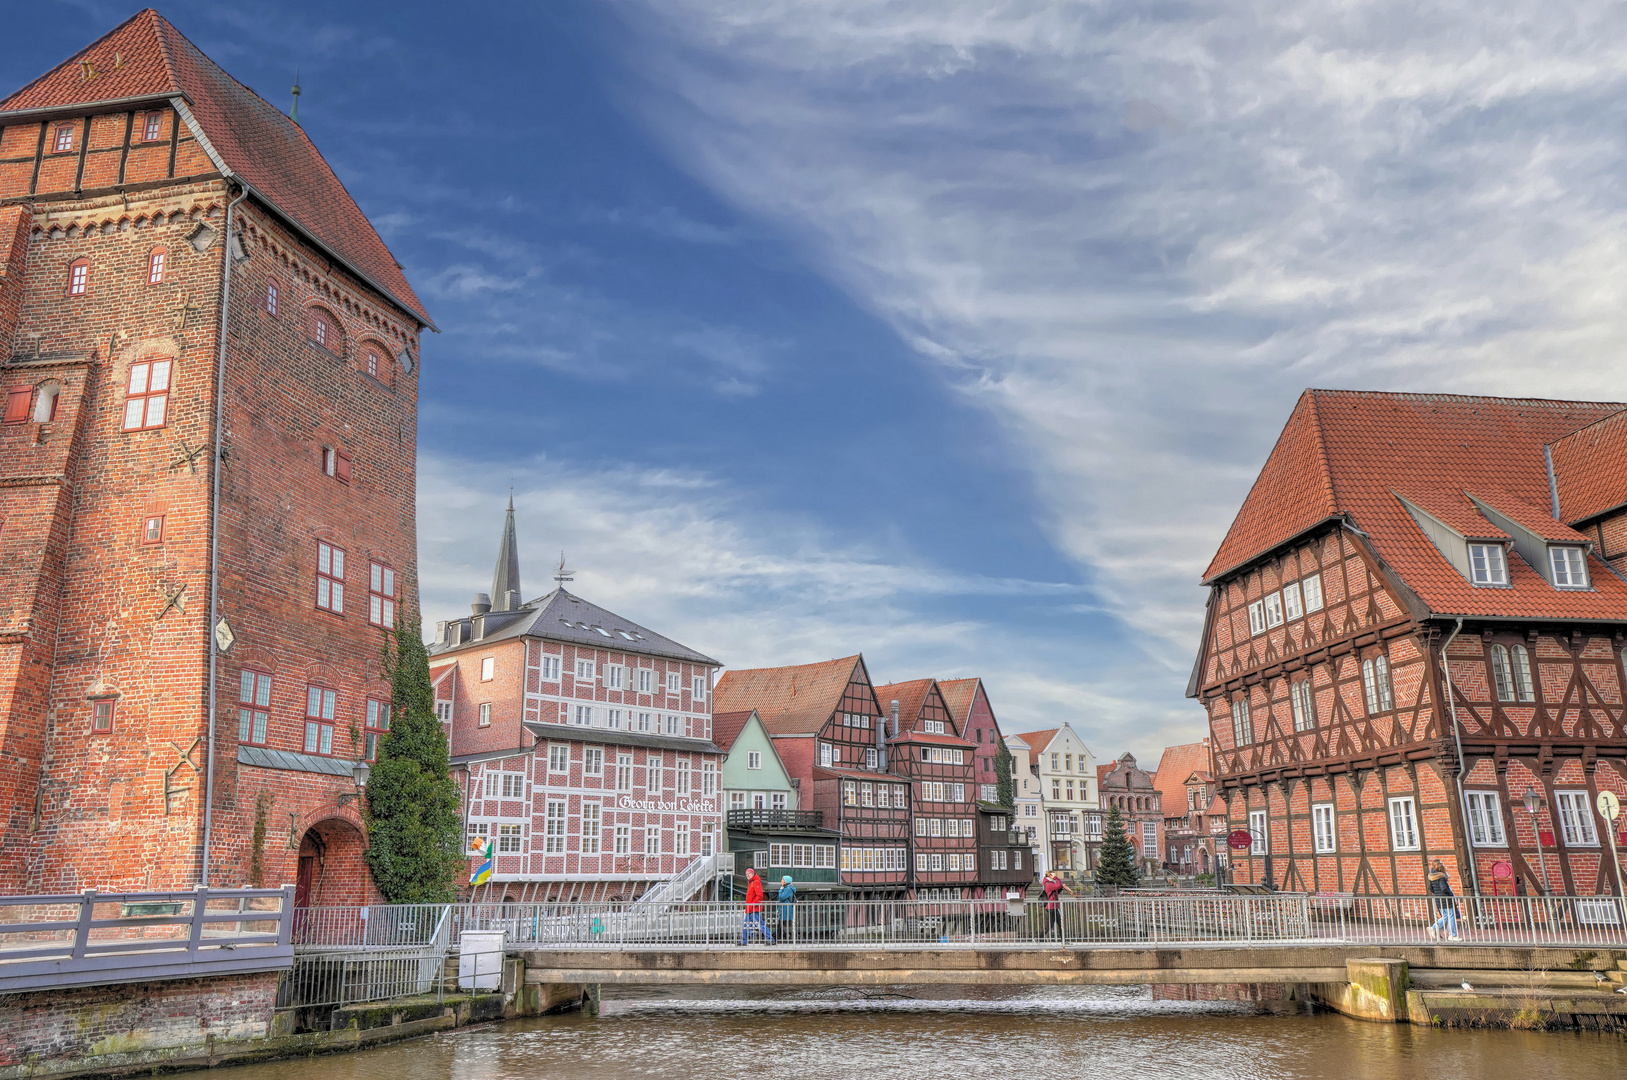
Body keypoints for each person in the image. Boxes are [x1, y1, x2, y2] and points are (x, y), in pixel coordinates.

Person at [1426, 860, 1461, 942]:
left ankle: (1433, 928)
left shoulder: (1432, 877)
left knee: (1445, 916)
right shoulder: (1441, 877)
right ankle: (1453, 935)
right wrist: (1451, 895)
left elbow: (1430, 888)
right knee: (1451, 916)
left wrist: (1437, 894)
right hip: (1446, 900)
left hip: (1439, 900)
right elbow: (1444, 888)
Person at [740, 867, 775, 945]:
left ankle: (770, 939)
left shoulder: (756, 882)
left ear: (752, 874)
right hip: (750, 908)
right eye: (746, 874)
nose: (747, 875)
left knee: (759, 924)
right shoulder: (751, 883)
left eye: (749, 873)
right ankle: (744, 941)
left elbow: (759, 895)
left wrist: (753, 904)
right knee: (746, 925)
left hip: (754, 908)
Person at [1041, 870, 1072, 938]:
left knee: (1060, 923)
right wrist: (1056, 878)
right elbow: (1058, 885)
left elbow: (1058, 889)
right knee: (1050, 925)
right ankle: (1038, 938)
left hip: (1055, 906)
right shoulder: (1048, 884)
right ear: (1049, 876)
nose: (1055, 876)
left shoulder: (1051, 883)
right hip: (1051, 907)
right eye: (1053, 875)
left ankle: (1063, 940)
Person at [777, 876, 796, 941]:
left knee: (783, 922)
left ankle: (781, 937)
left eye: (782, 879)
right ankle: (780, 937)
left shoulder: (787, 889)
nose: (781, 881)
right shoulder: (788, 888)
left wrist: (780, 890)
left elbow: (782, 897)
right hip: (785, 908)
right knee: (783, 923)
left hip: (786, 909)